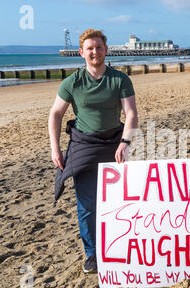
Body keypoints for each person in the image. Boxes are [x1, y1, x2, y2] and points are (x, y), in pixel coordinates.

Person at [48, 28, 138, 273]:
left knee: (118, 201)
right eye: (90, 48)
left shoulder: (120, 79)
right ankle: (91, 255)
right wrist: (55, 149)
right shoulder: (72, 82)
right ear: (81, 53)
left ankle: (118, 246)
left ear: (106, 50)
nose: (95, 52)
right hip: (83, 146)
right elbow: (56, 114)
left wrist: (125, 142)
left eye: (99, 47)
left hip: (114, 145)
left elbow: (131, 114)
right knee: (87, 204)